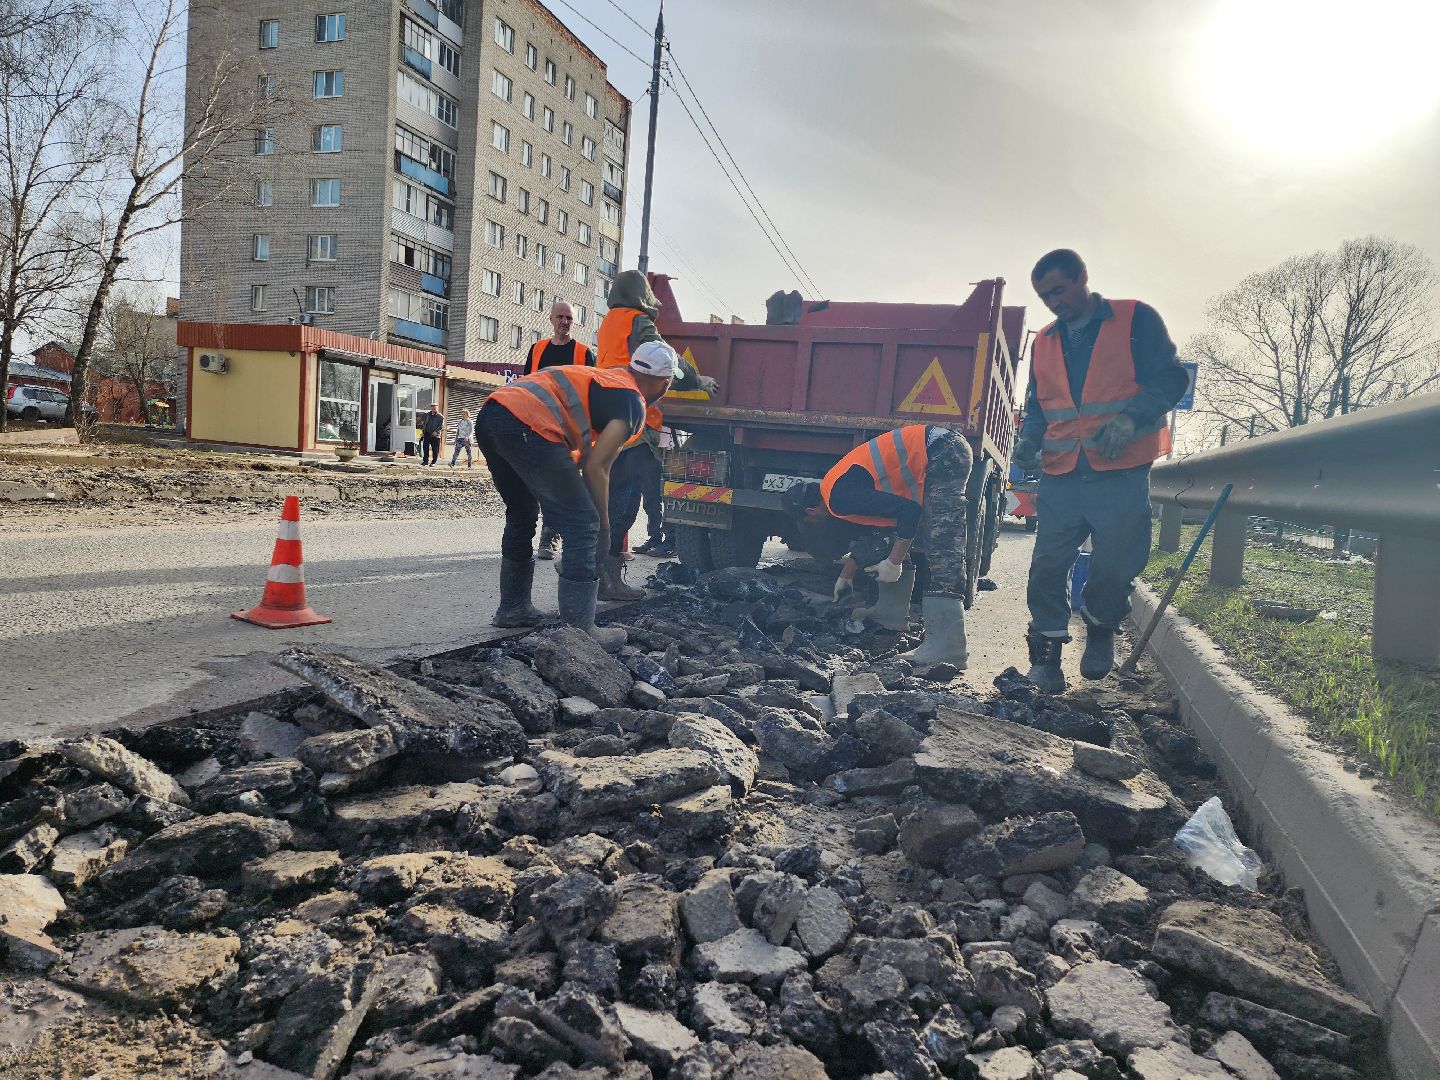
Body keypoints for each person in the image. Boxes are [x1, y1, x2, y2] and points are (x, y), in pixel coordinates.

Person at [1014, 248, 1189, 692]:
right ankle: (1047, 657)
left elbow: (1170, 379)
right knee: (1048, 567)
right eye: (1043, 296)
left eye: (1058, 290)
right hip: (1062, 473)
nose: (1053, 302)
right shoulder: (1044, 341)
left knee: (1115, 564)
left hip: (1120, 470)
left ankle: (1101, 627)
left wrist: (1131, 419)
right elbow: (1038, 407)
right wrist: (1030, 439)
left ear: (1082, 278)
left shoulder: (1134, 320)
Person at [474, 339, 678, 648]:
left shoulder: (605, 379)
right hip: (528, 425)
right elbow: (598, 468)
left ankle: (513, 608)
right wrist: (604, 528)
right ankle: (580, 634)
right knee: (584, 524)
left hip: (493, 414)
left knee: (522, 512)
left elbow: (584, 461)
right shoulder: (632, 402)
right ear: (665, 381)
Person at [782, 423, 973, 667]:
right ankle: (891, 614)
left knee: (942, 541)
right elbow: (879, 535)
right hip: (937, 448)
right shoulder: (836, 492)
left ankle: (948, 647)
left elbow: (909, 511)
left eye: (808, 520)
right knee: (899, 537)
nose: (813, 523)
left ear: (810, 511)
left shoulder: (840, 498)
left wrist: (893, 563)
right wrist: (846, 577)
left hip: (941, 450)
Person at [595, 270, 716, 598]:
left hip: (608, 412)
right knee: (625, 500)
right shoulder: (637, 322)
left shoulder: (608, 323)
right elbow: (668, 361)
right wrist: (696, 380)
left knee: (610, 499)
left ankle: (595, 574)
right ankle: (607, 580)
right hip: (634, 420)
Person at [528, 301, 594, 560]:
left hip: (568, 429)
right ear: (551, 319)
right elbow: (526, 384)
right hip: (538, 425)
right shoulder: (537, 350)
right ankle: (549, 531)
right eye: (561, 317)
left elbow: (591, 393)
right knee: (542, 482)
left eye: (569, 318)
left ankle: (552, 533)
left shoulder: (583, 353)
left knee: (560, 482)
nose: (565, 322)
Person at [634, 425, 675, 556]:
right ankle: (655, 537)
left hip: (667, 439)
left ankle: (671, 542)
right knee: (650, 496)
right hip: (647, 442)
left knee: (669, 497)